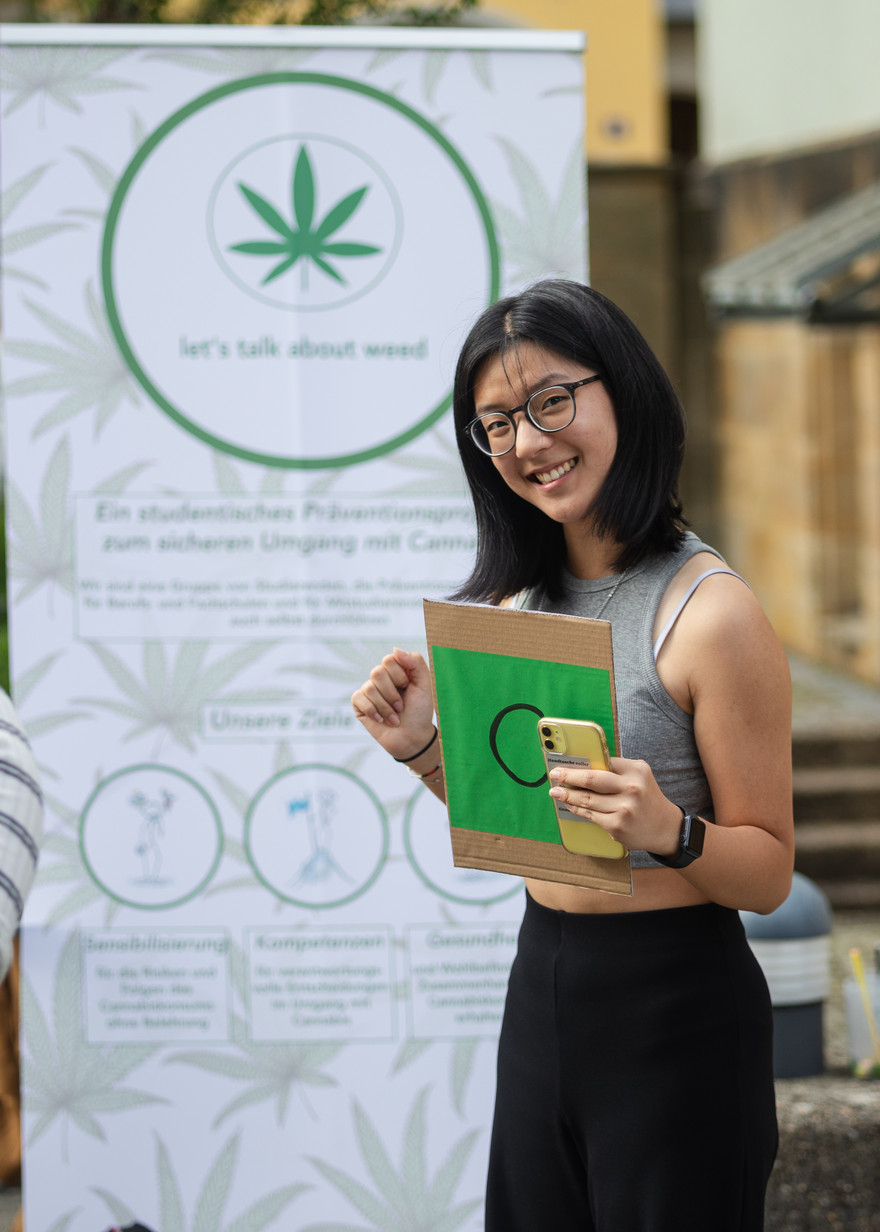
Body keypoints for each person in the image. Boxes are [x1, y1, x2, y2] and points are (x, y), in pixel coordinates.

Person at [351, 279, 793, 1232]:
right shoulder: (521, 605)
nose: (530, 442)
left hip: (677, 1007)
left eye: (552, 401)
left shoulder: (712, 614)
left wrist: (671, 832)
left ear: (621, 393)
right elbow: (533, 823)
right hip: (543, 984)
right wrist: (426, 750)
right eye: (498, 424)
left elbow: (768, 873)